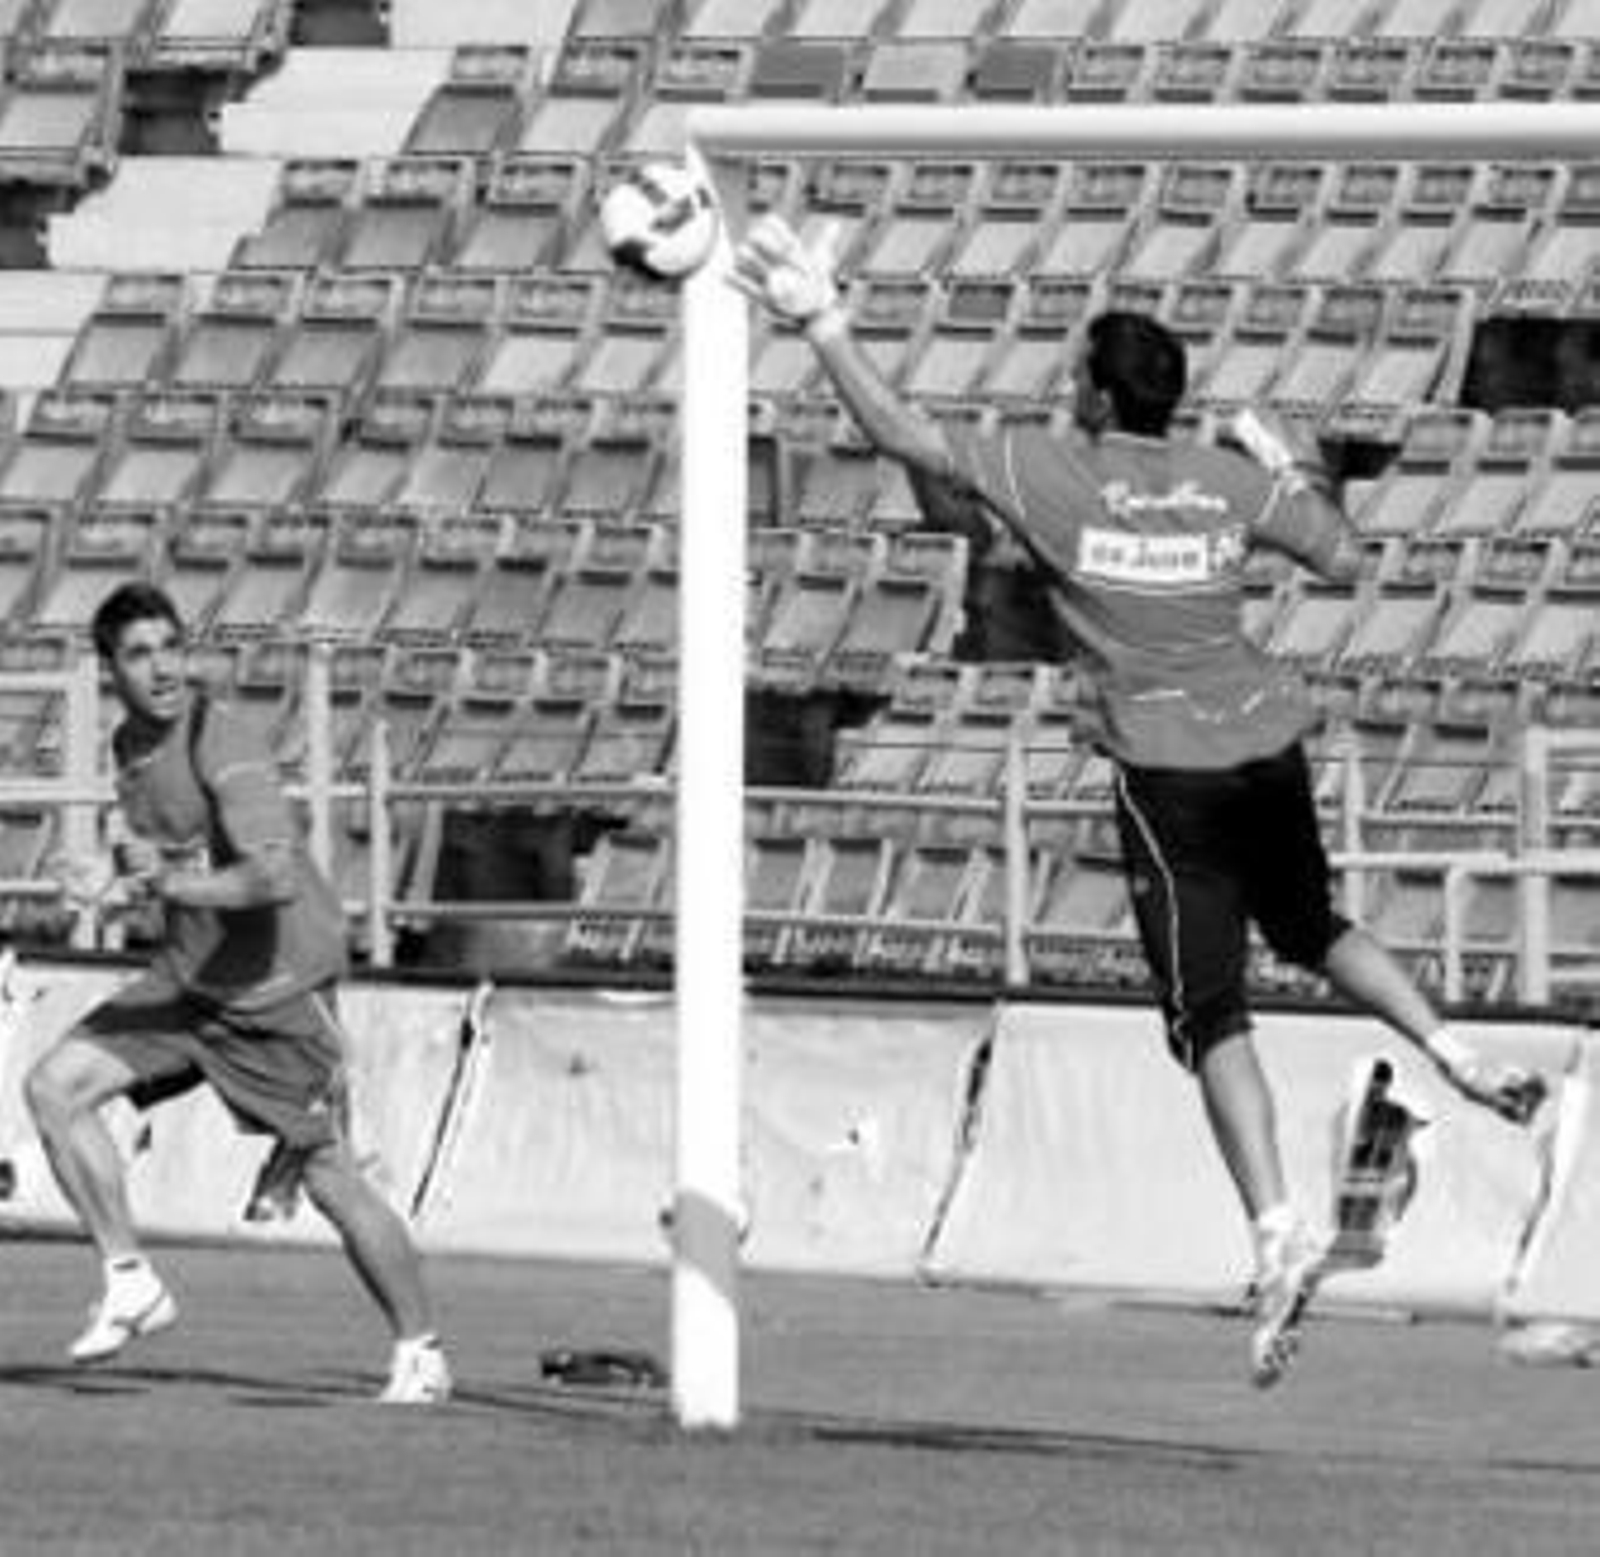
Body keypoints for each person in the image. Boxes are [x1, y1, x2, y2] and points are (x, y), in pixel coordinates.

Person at [732, 216, 1548, 1386]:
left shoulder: (1057, 471)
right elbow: (1346, 560)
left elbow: (899, 427)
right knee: (1310, 927)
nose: (1066, 395)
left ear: (1101, 401)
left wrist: (824, 326)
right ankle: (1452, 1047)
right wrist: (1293, 470)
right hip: (1266, 742)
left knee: (1208, 1015)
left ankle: (1273, 1232)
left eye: (1074, 380)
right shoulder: (1219, 477)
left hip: (1171, 772)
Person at [25, 582, 451, 1404]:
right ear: (109, 667)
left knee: (331, 1178)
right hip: (189, 986)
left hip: (274, 994)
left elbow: (269, 877)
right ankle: (130, 1278)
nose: (162, 668)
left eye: (170, 647)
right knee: (54, 1087)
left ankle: (421, 1350)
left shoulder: (225, 742)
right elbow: (169, 858)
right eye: (140, 653)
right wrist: (110, 879)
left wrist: (161, 888)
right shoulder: (127, 749)